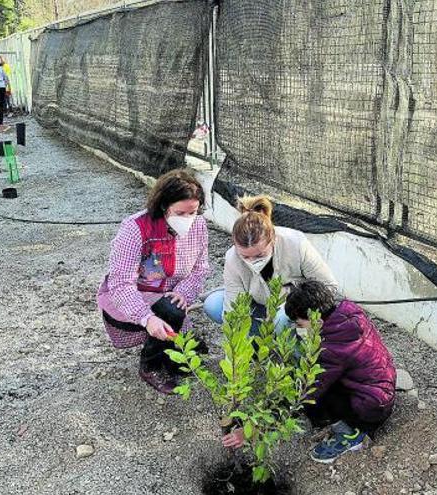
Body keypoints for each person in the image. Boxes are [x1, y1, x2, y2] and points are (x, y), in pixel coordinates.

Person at [222, 280, 396, 463]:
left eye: (299, 324)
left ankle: (352, 435)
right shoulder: (346, 316)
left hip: (370, 408)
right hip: (377, 388)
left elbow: (303, 394)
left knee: (312, 397)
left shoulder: (332, 350)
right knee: (311, 382)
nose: (298, 328)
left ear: (317, 320)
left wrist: (252, 429)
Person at [97, 169, 209, 394]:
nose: (188, 220)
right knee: (170, 311)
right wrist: (146, 318)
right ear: (163, 206)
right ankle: (150, 365)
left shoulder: (199, 226)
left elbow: (200, 268)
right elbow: (121, 284)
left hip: (166, 297)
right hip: (134, 298)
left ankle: (172, 354)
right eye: (180, 213)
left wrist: (184, 293)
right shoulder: (135, 228)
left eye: (193, 212)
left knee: (178, 318)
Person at [203, 195, 338, 334]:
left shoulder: (296, 243)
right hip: (260, 307)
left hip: (294, 311)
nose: (252, 261)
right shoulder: (232, 258)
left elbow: (328, 286)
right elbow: (232, 306)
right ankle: (260, 341)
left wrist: (292, 306)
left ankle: (291, 350)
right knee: (214, 305)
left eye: (259, 255)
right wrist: (234, 348)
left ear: (273, 239)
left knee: (280, 318)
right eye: (245, 256)